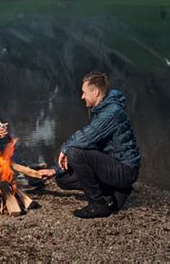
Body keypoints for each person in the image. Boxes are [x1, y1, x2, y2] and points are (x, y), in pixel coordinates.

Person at [39, 71, 141, 218]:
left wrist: (65, 149)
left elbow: (87, 135)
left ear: (96, 92)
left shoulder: (112, 112)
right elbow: (91, 144)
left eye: (84, 92)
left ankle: (98, 205)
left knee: (74, 152)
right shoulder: (100, 110)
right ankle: (115, 191)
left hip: (124, 170)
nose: (82, 97)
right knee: (63, 180)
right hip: (111, 164)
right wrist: (55, 171)